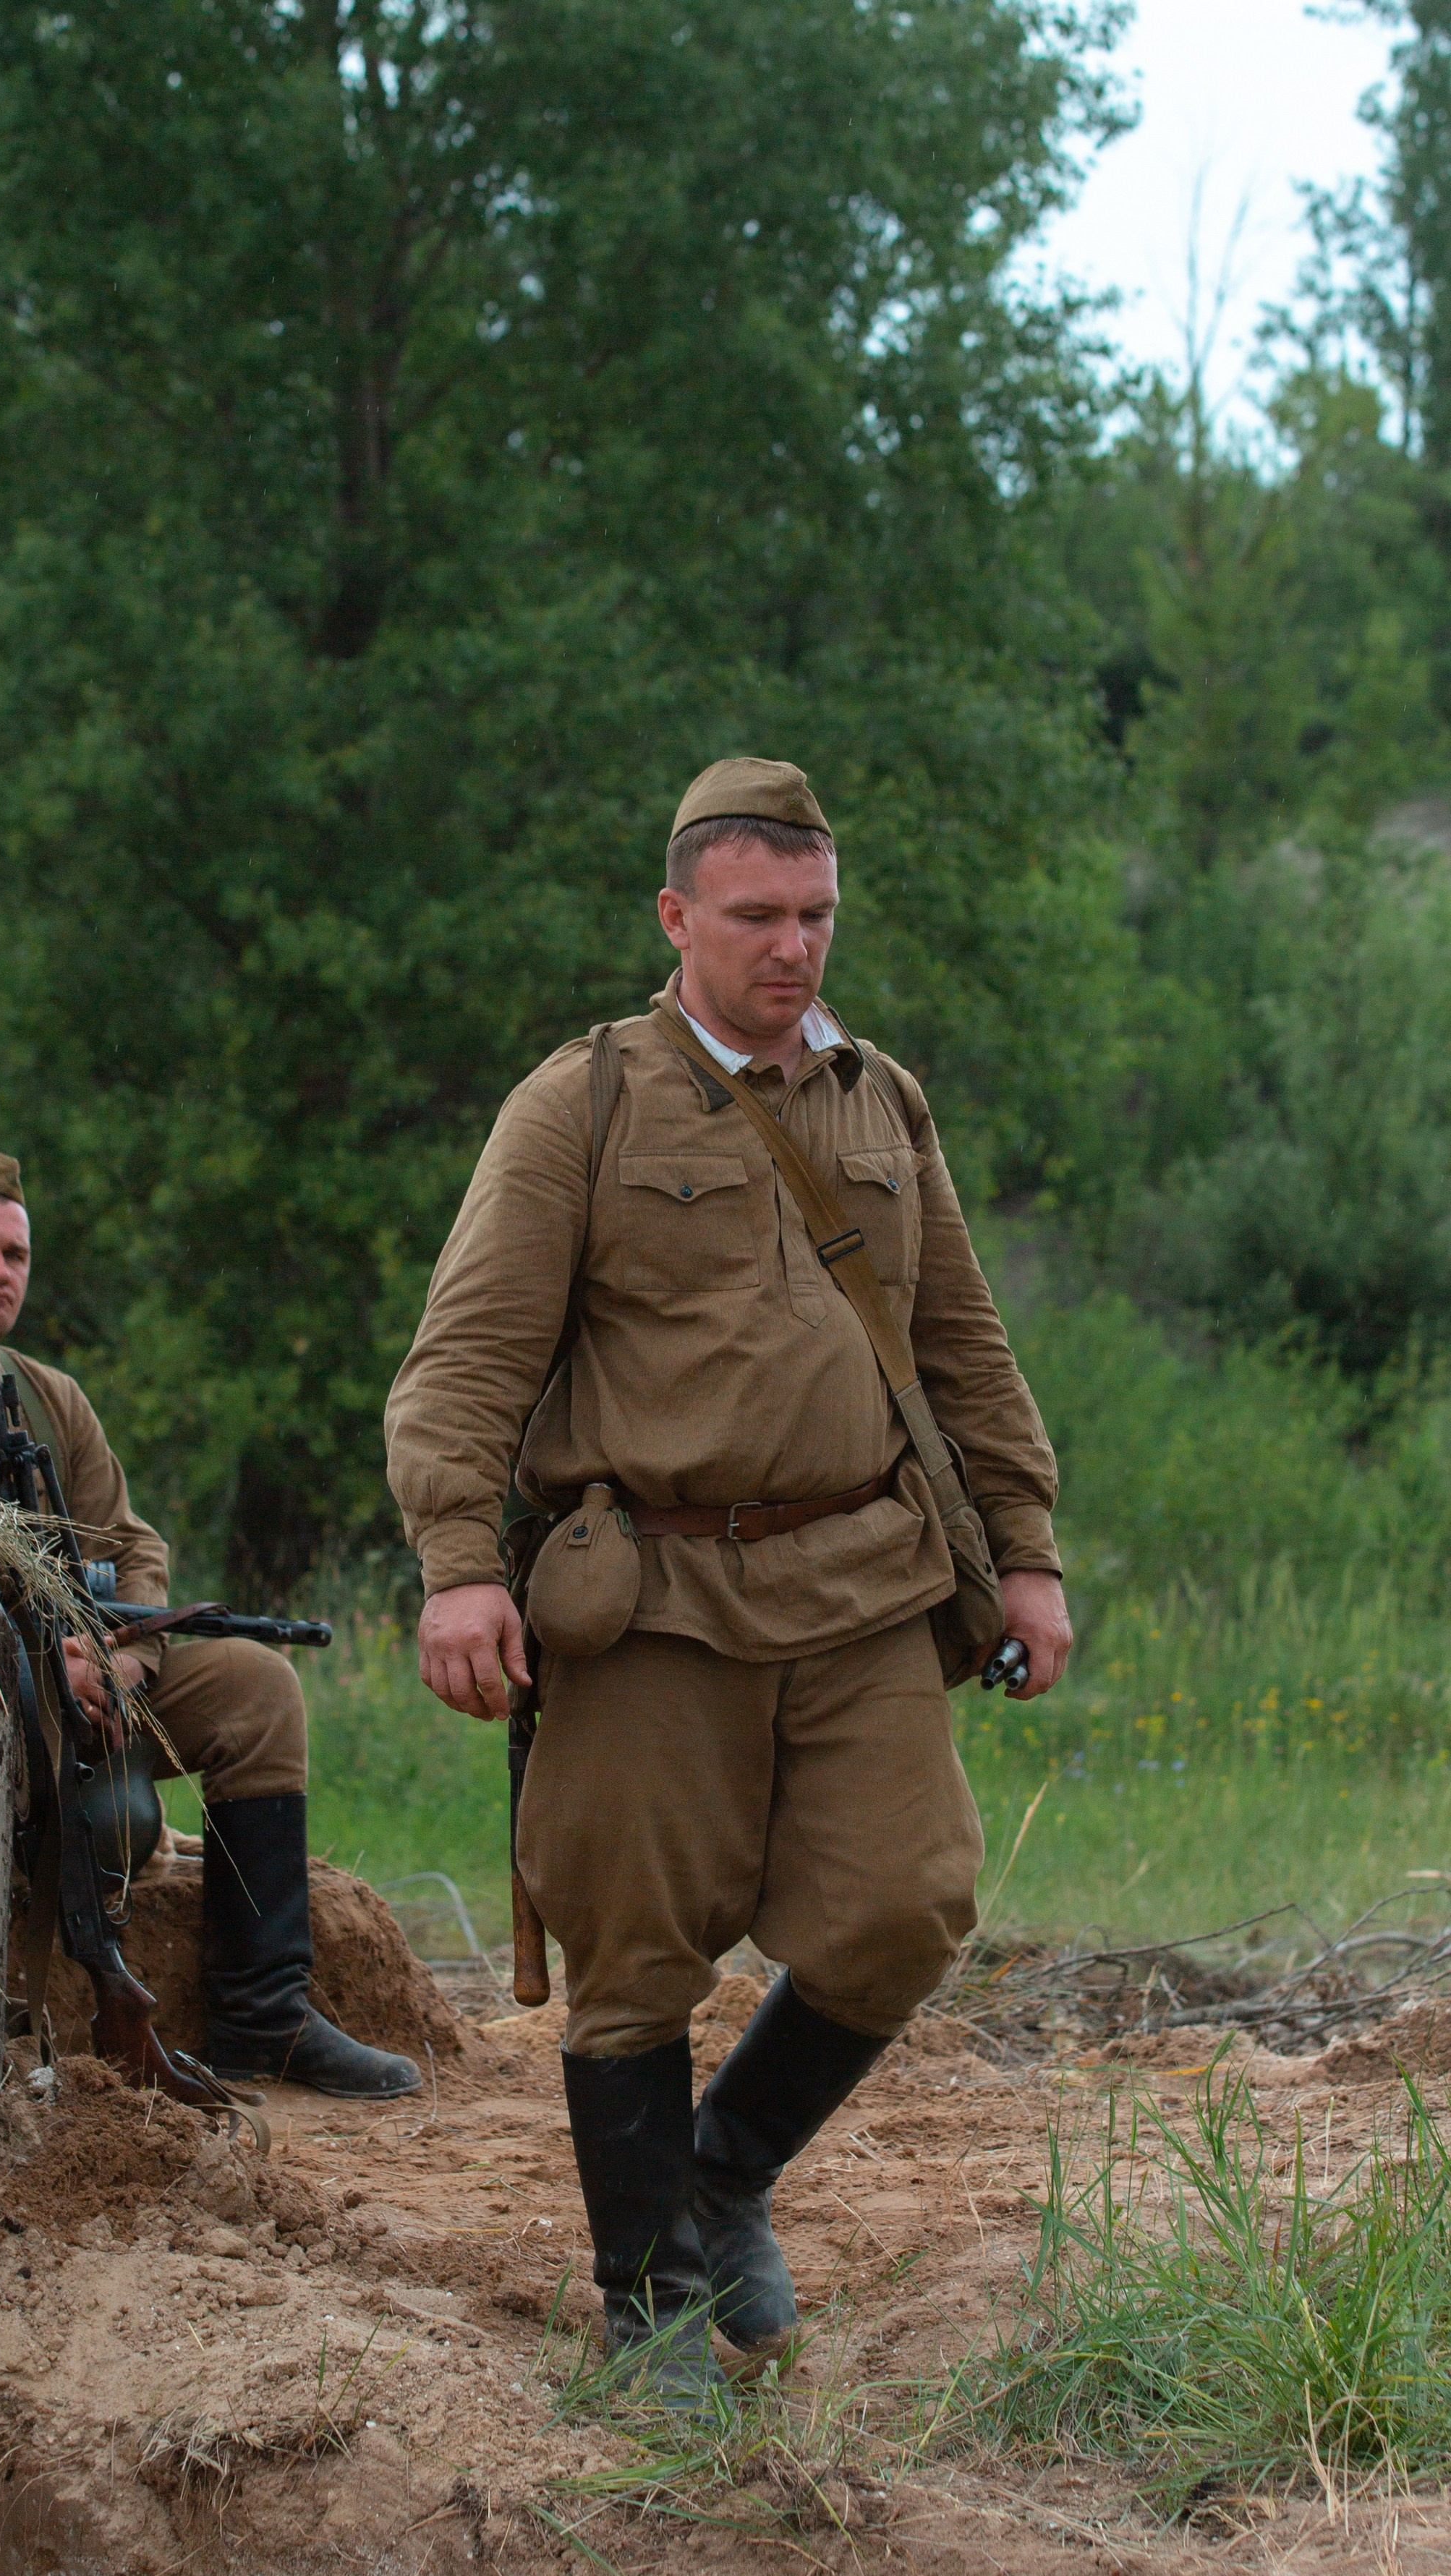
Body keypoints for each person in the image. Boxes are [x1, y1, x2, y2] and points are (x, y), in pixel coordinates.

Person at [385, 757, 1071, 2401]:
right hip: (657, 1595)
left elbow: (961, 1347)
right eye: (755, 917)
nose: (792, 949)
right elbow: (465, 1359)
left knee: (902, 1909)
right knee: (631, 1948)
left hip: (862, 1577)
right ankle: (650, 2307)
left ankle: (724, 2171)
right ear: (676, 915)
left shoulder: (876, 1100)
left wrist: (1028, 1550)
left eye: (815, 916)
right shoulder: (584, 1103)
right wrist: (459, 1568)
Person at [0, 1148, 419, 2100]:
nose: (1, 1270)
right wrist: (50, 1671)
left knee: (258, 1686)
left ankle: (265, 2015)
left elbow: (133, 1551)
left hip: (95, 1683)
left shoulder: (49, 1400)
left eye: (17, 1254)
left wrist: (129, 1656)